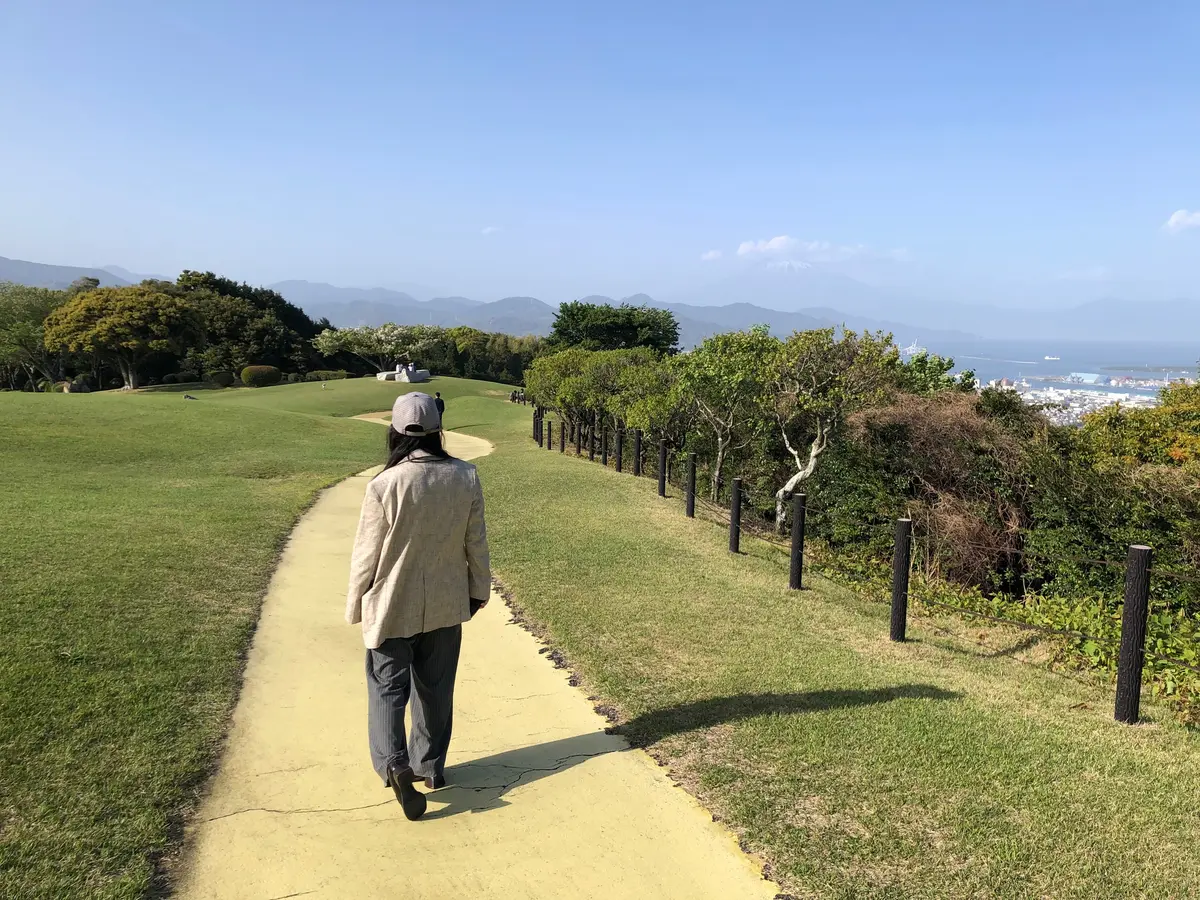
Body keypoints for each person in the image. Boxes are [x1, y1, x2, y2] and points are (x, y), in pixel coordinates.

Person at [346, 391, 490, 821]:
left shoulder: (384, 485)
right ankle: (431, 767)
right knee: (436, 687)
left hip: (392, 603)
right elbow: (475, 540)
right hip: (447, 600)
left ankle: (394, 763)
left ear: (395, 432)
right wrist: (478, 588)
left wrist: (355, 605)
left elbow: (365, 555)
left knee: (388, 688)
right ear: (437, 430)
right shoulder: (465, 476)